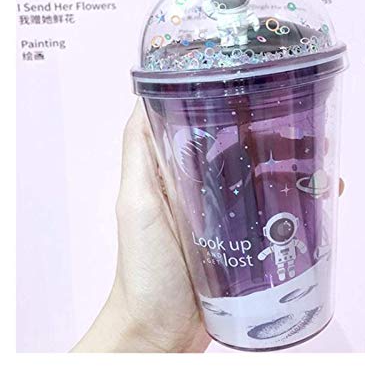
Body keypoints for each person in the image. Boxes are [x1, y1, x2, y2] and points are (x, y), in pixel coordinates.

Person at [72, 100, 344, 353]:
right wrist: (149, 331)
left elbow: (271, 144)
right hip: (227, 265)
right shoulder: (217, 170)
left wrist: (304, 145)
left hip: (249, 249)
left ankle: (288, 291)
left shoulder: (232, 159)